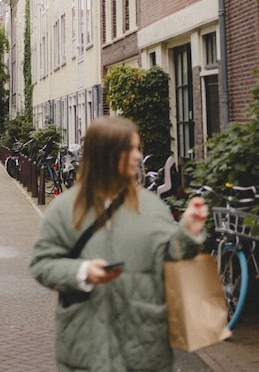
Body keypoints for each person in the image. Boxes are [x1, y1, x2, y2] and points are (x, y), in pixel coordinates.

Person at [29, 115, 209, 372]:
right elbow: (41, 263)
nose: (137, 156)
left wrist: (188, 232)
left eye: (138, 148)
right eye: (130, 149)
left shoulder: (151, 206)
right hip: (86, 342)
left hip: (145, 343)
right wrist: (81, 272)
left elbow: (172, 260)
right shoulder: (66, 208)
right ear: (106, 154)